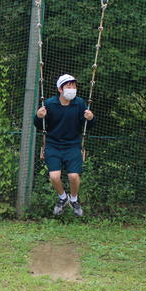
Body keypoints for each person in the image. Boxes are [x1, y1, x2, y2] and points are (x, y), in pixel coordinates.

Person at [35, 74, 96, 217]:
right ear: (60, 89)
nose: (72, 89)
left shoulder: (79, 103)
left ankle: (74, 200)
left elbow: (87, 125)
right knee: (54, 176)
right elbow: (40, 125)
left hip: (73, 145)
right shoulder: (49, 104)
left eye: (74, 86)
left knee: (73, 176)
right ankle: (63, 198)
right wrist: (38, 116)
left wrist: (91, 118)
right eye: (69, 86)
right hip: (53, 144)